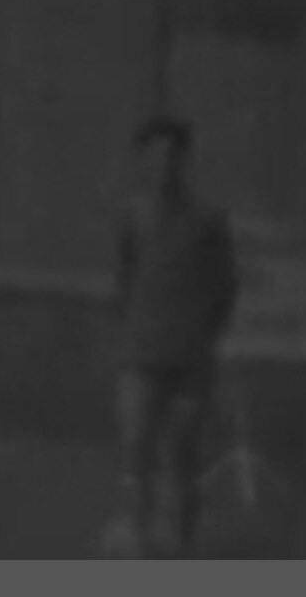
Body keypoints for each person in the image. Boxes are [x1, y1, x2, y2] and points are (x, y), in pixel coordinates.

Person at [108, 116, 242, 558]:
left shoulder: (209, 219)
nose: (163, 165)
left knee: (182, 454)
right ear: (143, 160)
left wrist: (202, 335)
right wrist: (132, 328)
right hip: (140, 355)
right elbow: (125, 277)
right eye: (154, 156)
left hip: (189, 360)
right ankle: (134, 528)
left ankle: (180, 536)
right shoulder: (132, 214)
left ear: (185, 160)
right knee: (135, 445)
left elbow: (225, 287)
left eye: (172, 156)